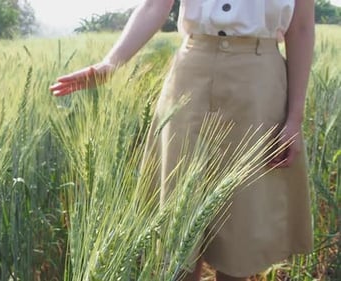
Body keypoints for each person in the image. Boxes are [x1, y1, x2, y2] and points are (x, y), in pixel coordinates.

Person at [50, 0, 315, 280]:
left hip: (259, 81)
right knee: (177, 236)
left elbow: (300, 27)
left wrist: (294, 118)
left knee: (241, 232)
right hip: (190, 74)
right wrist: (110, 64)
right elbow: (155, 5)